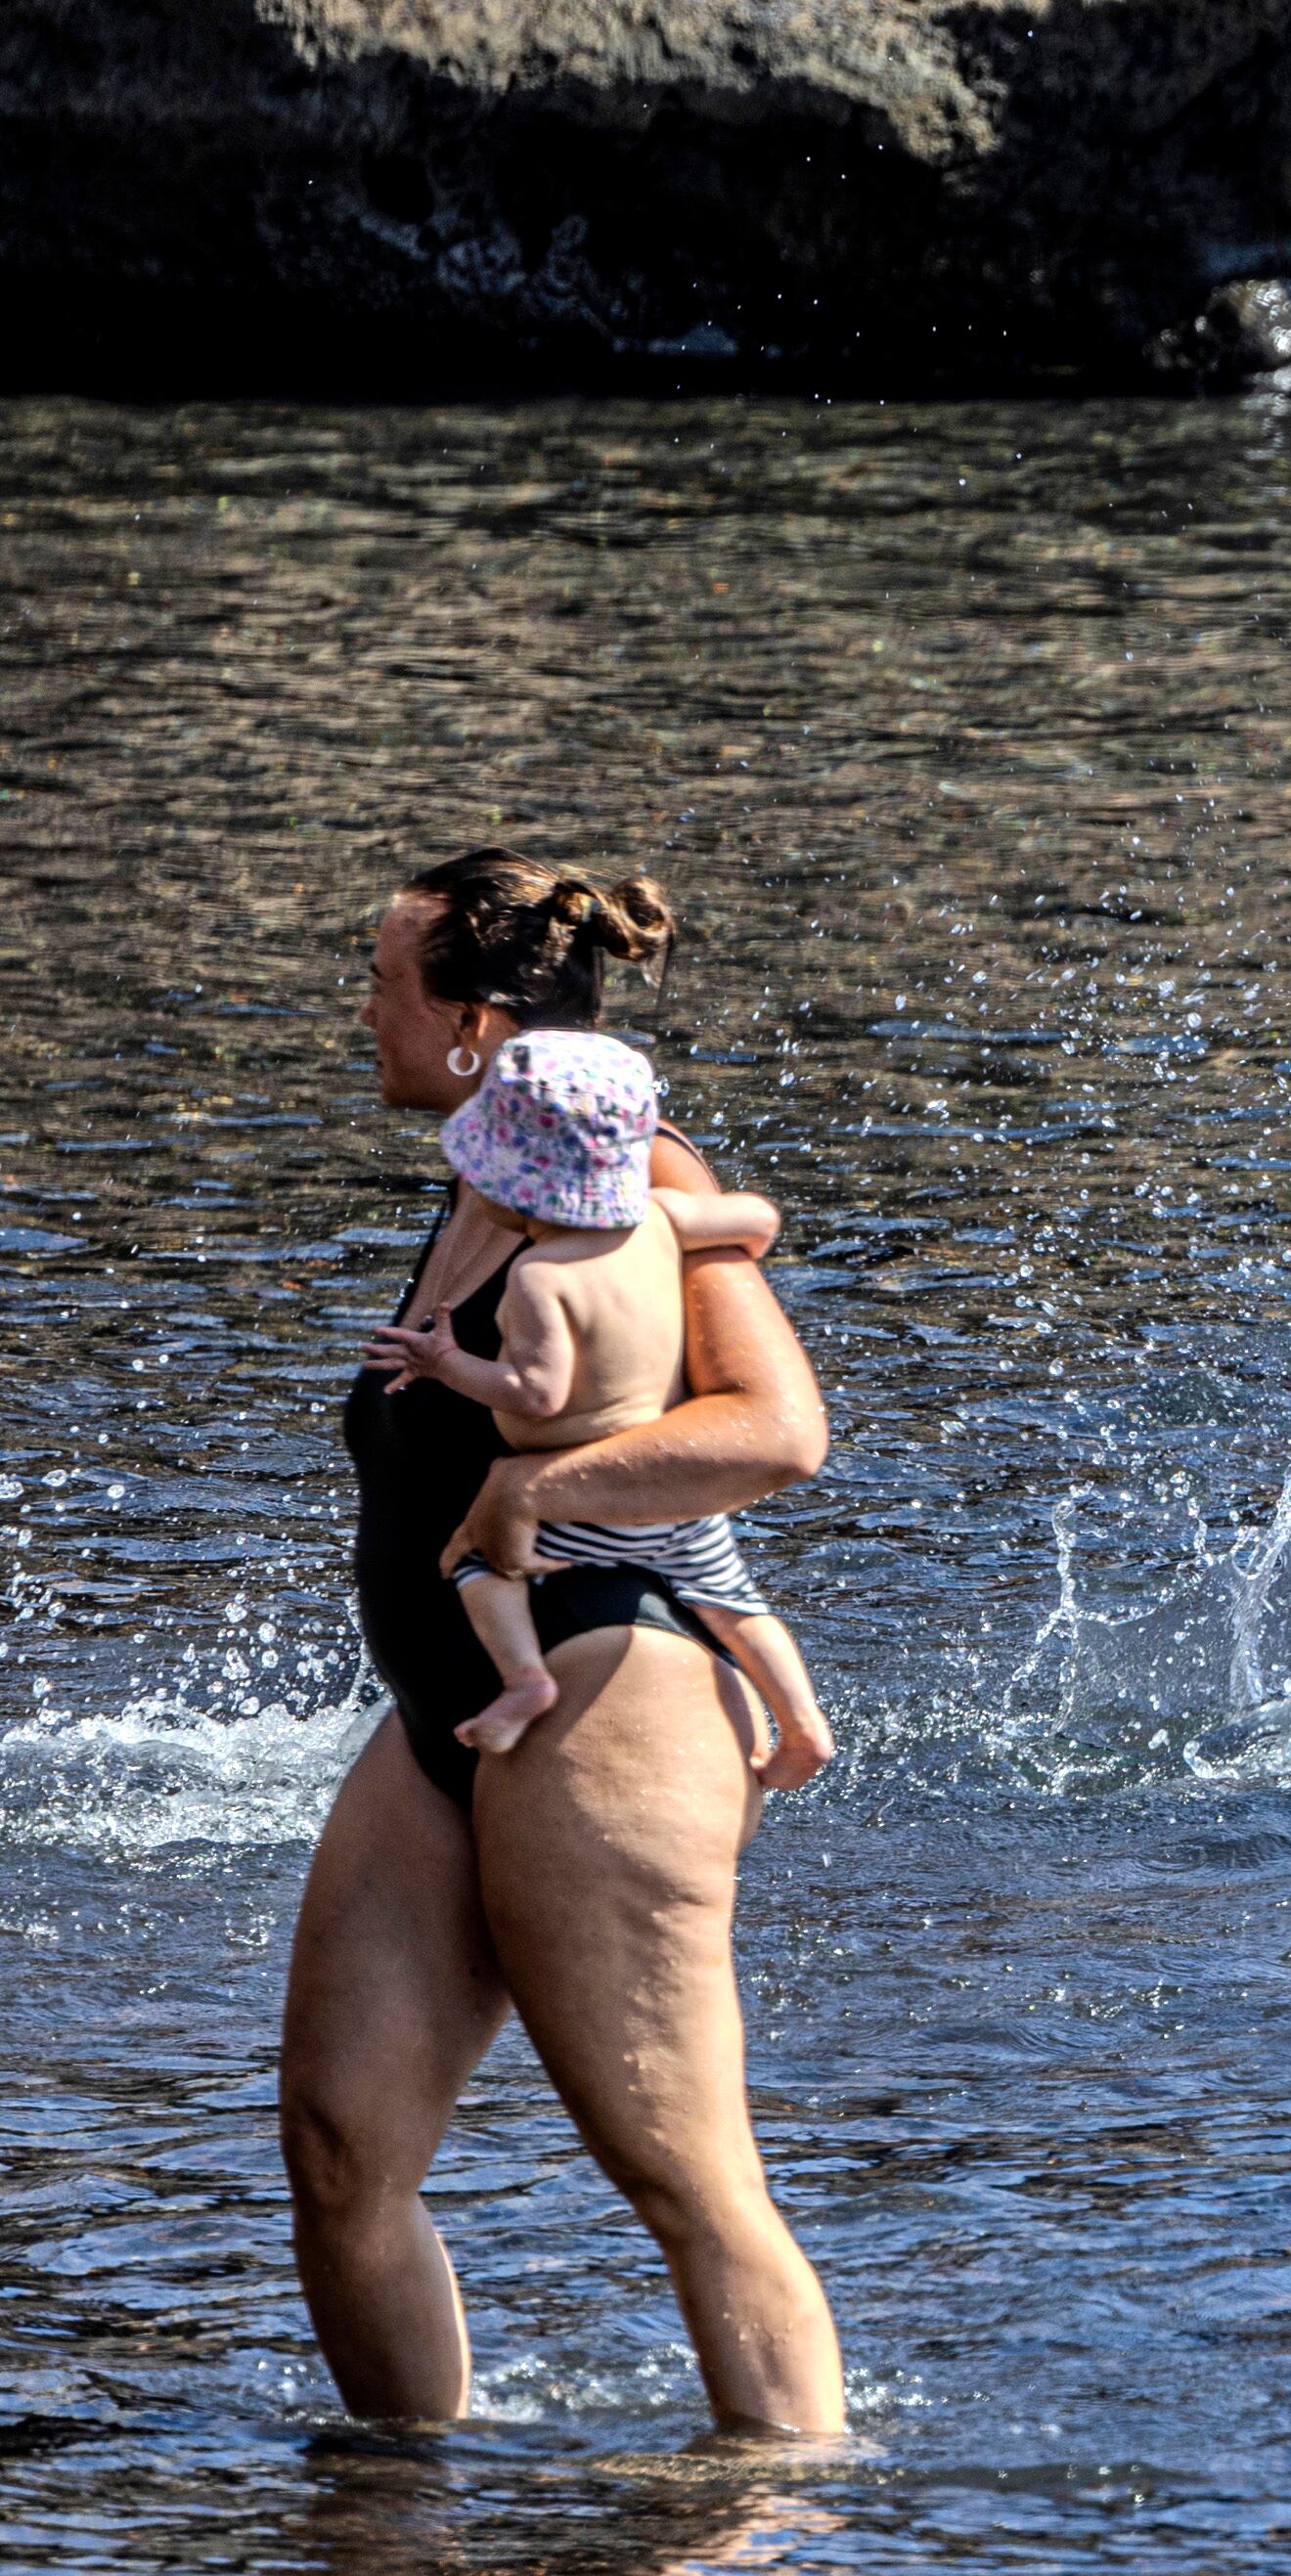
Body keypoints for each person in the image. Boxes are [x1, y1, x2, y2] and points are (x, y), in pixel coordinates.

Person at [289, 846, 845, 2433]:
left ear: (474, 1027)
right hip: (447, 1716)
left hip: (605, 1684)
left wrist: (543, 1481)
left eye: (384, 979)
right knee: (340, 2148)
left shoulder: (640, 1169)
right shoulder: (495, 1174)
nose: (364, 1009)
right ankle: (406, 2520)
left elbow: (779, 1428)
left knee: (684, 2175)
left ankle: (776, 2534)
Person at [360, 1030, 831, 1771]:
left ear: (514, 1183)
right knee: (733, 1604)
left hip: (578, 1511)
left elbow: (537, 1393)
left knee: (478, 1563)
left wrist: (448, 1364)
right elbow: (761, 1221)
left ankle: (526, 1681)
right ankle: (802, 1724)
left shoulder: (538, 1276)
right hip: (672, 1505)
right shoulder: (661, 1221)